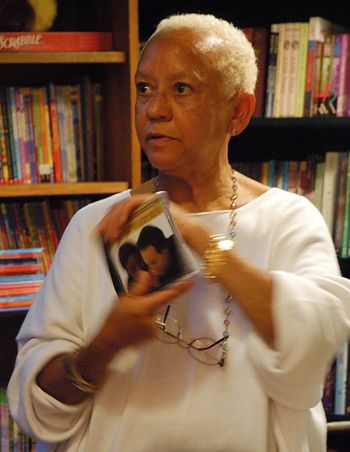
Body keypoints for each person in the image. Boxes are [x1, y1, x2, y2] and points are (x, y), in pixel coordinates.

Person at [7, 13, 350, 452]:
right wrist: (107, 342)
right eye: (144, 88)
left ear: (238, 112)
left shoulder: (289, 219)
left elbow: (314, 341)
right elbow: (36, 399)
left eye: (181, 89)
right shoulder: (96, 223)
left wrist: (202, 240)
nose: (154, 109)